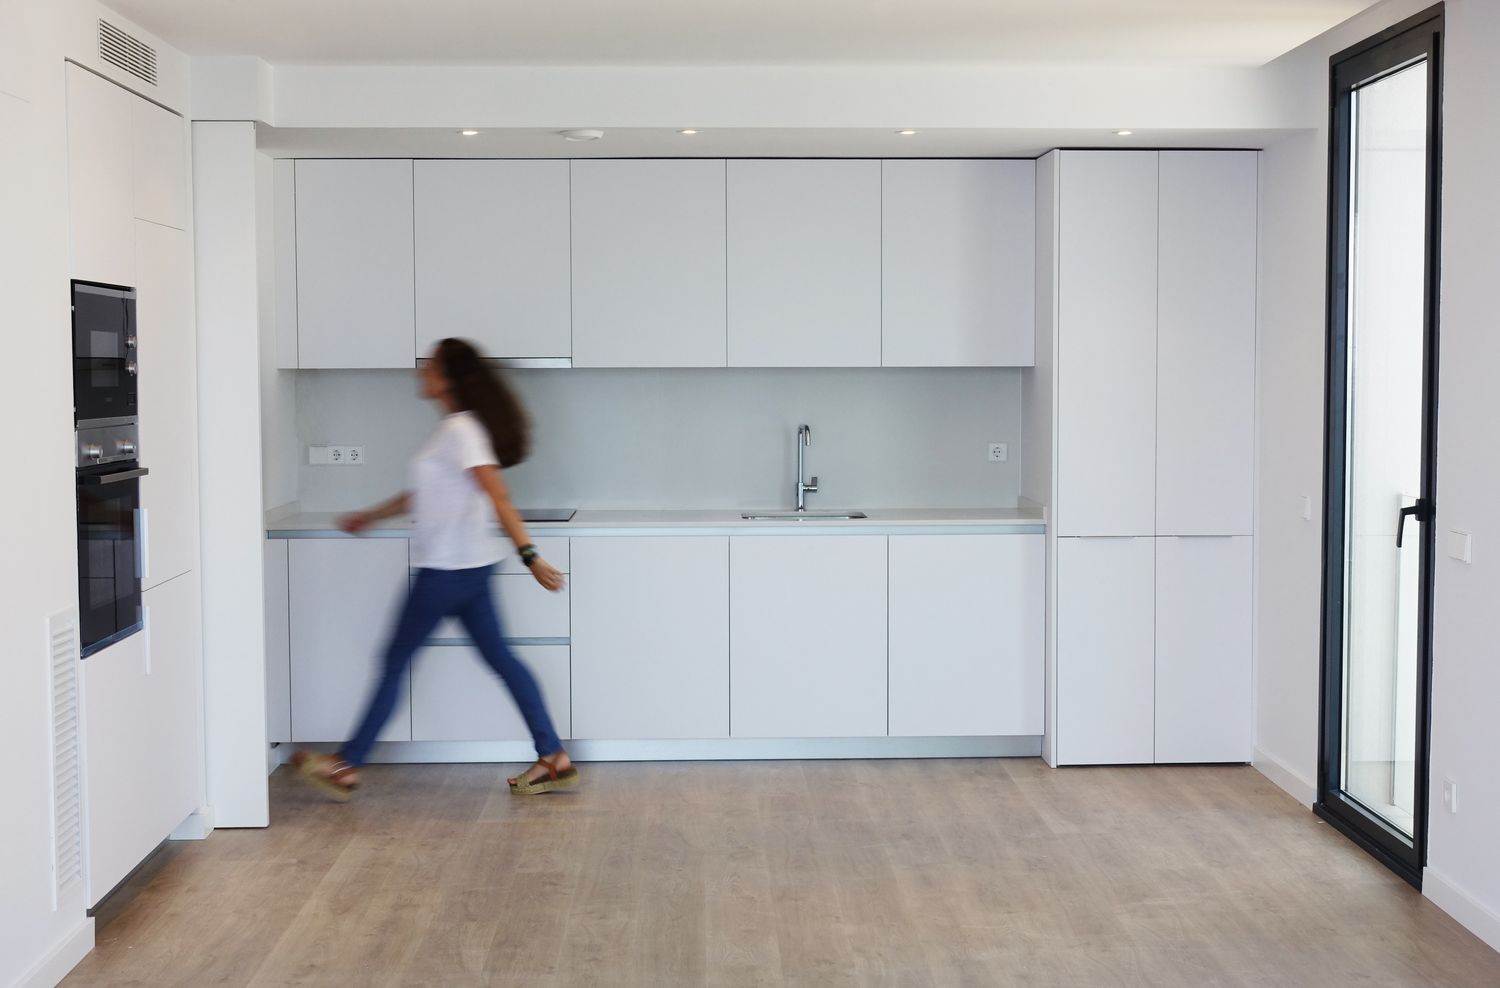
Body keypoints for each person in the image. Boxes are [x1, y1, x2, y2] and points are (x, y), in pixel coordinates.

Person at [292, 338, 575, 801]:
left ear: (448, 378)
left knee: (394, 661)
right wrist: (372, 515)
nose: (422, 370)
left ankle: (346, 764)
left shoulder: (462, 430)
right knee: (502, 660)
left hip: (445, 573)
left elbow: (498, 495)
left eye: (431, 365)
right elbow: (423, 494)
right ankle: (553, 755)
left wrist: (530, 556)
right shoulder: (455, 430)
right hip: (469, 570)